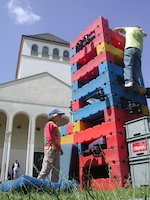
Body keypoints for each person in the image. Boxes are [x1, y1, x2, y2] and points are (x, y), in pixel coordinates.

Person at [114, 26, 147, 90]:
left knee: (128, 65)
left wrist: (118, 31)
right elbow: (146, 35)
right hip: (138, 52)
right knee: (136, 69)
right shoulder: (141, 33)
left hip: (130, 48)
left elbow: (117, 29)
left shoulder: (129, 29)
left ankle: (129, 81)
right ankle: (137, 86)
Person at [37, 109, 64, 182]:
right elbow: (49, 136)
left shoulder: (55, 125)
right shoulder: (49, 124)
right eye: (59, 116)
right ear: (53, 116)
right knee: (47, 166)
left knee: (56, 168)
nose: (60, 117)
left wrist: (60, 149)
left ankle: (54, 184)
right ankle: (38, 182)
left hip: (55, 148)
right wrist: (52, 145)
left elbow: (57, 139)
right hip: (50, 147)